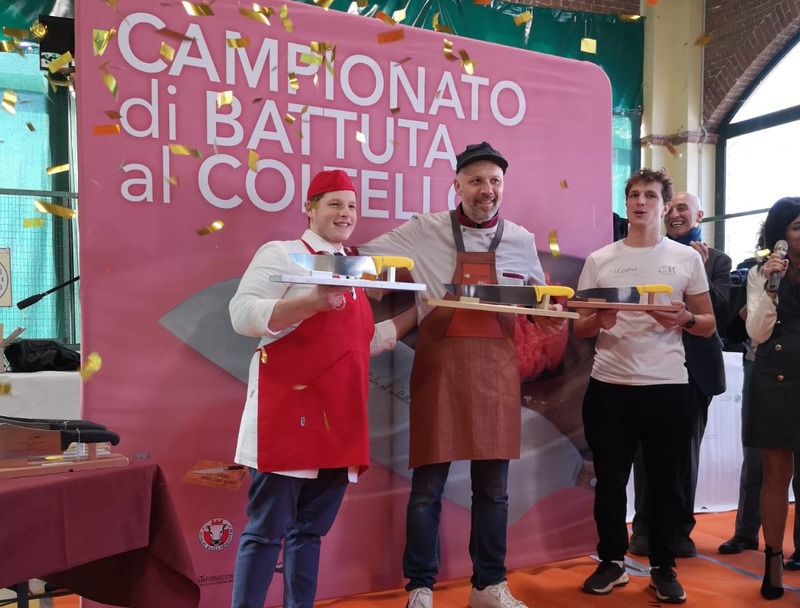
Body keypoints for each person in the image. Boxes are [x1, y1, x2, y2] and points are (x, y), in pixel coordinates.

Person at [357, 142, 565, 608]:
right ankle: (420, 587)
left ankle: (487, 585)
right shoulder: (423, 230)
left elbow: (537, 301)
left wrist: (551, 315)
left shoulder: (520, 239)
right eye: (475, 180)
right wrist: (371, 288)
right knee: (426, 490)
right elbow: (366, 255)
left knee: (494, 492)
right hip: (440, 374)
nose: (486, 190)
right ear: (456, 185)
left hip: (496, 377)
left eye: (494, 181)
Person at [228, 169, 416, 608]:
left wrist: (423, 313)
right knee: (264, 532)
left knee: (309, 531)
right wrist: (309, 303)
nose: (345, 213)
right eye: (334, 204)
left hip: (341, 420)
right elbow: (242, 314)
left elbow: (359, 344)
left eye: (351, 206)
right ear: (308, 209)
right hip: (288, 415)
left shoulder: (352, 269)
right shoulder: (283, 254)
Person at [575, 169, 715, 604]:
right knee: (611, 481)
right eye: (634, 195)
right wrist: (600, 319)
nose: (640, 203)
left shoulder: (686, 259)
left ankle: (663, 567)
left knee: (666, 483)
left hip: (668, 385)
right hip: (610, 384)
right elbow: (580, 328)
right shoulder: (601, 258)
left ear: (665, 205)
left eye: (650, 196)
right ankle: (612, 561)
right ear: (627, 201)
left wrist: (684, 319)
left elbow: (708, 324)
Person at [629, 192, 731, 558]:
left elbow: (718, 313)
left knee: (683, 455)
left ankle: (678, 532)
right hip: (647, 365)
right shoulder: (645, 256)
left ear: (699, 215)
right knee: (644, 453)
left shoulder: (717, 261)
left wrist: (696, 272)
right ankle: (642, 529)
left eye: (682, 208)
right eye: (670, 208)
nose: (675, 214)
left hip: (694, 372)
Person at [742, 197, 800, 600]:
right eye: (797, 226)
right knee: (775, 475)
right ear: (781, 234)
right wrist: (768, 285)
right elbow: (758, 333)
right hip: (774, 377)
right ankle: (773, 559)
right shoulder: (762, 273)